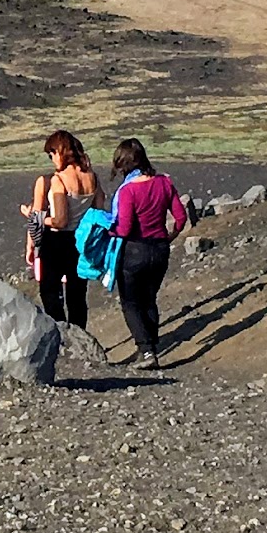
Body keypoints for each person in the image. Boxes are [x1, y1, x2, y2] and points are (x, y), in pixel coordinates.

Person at [106, 138, 184, 369]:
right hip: (160, 248)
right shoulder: (165, 183)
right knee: (149, 299)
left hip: (134, 250)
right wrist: (171, 236)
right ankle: (152, 346)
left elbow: (125, 227)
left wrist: (108, 231)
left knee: (131, 302)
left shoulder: (129, 190)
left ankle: (146, 350)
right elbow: (180, 217)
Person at [21, 128, 101, 337]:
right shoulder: (92, 177)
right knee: (77, 295)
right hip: (81, 241)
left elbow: (59, 220)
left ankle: (60, 338)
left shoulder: (56, 180)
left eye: (52, 154)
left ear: (60, 152)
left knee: (50, 293)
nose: (51, 159)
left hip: (56, 242)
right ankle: (80, 338)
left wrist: (34, 217)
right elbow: (100, 210)